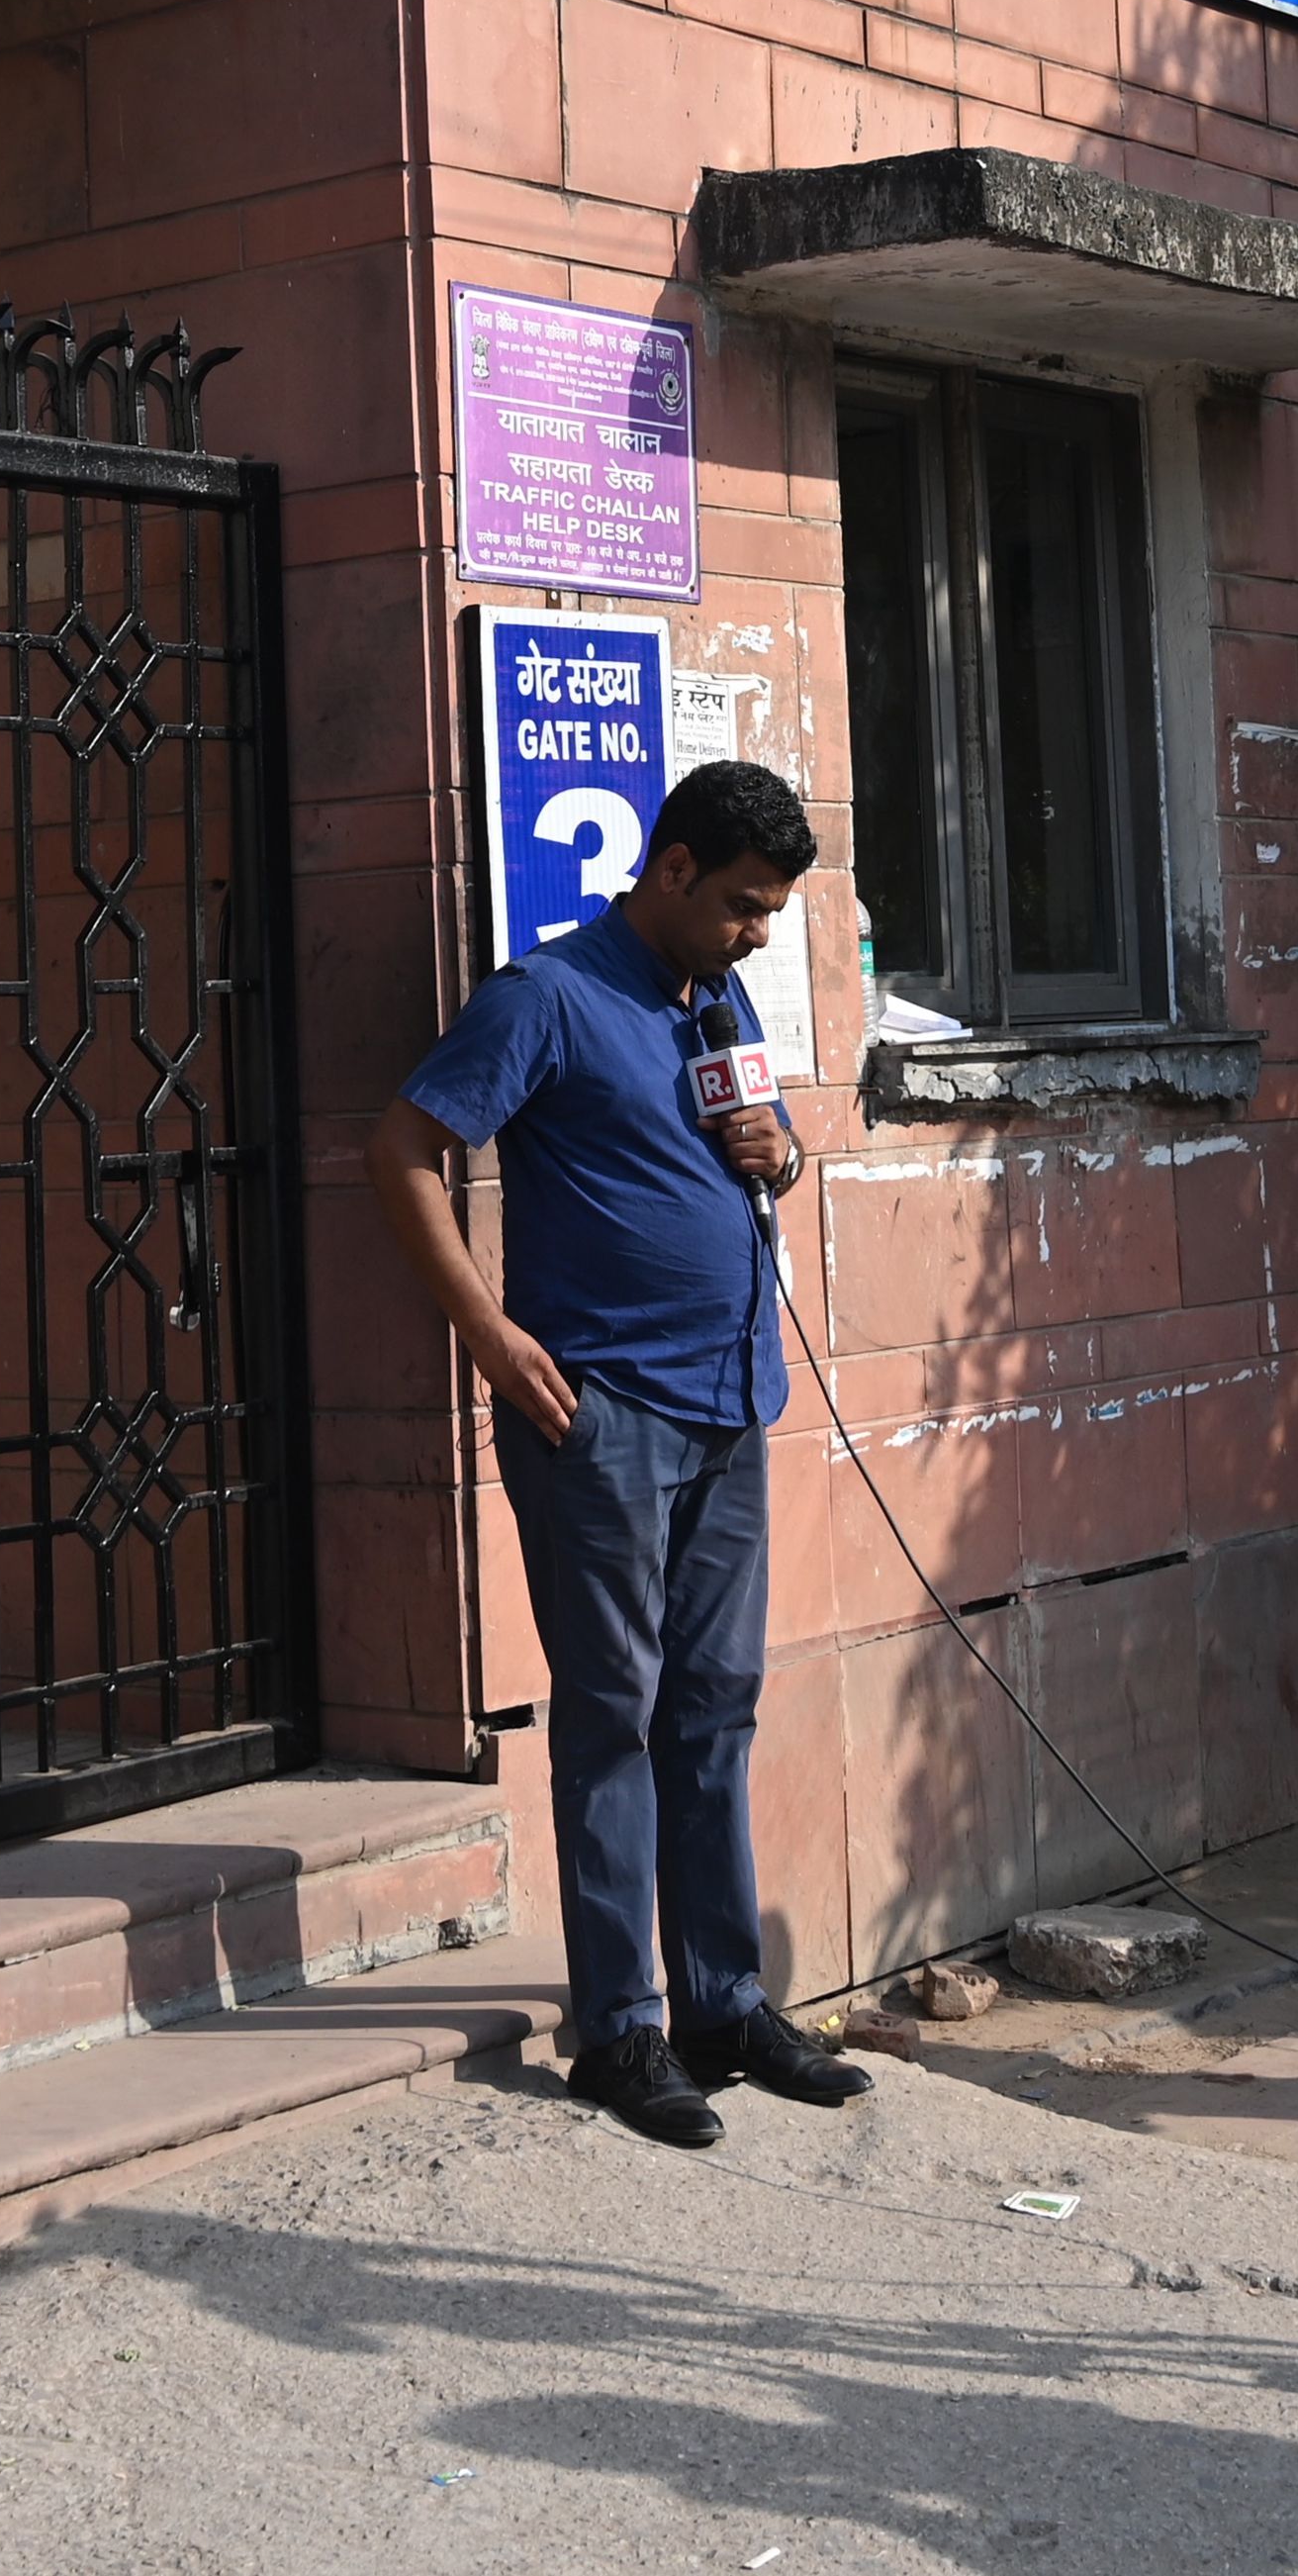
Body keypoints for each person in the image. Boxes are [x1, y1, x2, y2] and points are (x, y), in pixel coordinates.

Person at [365, 760, 873, 2151]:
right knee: (615, 1709)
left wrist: (781, 1153)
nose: (758, 933)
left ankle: (724, 2003)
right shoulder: (545, 999)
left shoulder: (719, 994)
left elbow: (750, 1154)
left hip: (727, 1401)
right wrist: (488, 1333)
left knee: (714, 1703)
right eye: (742, 907)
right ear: (669, 868)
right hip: (597, 1418)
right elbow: (401, 1148)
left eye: (771, 912)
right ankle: (623, 2029)